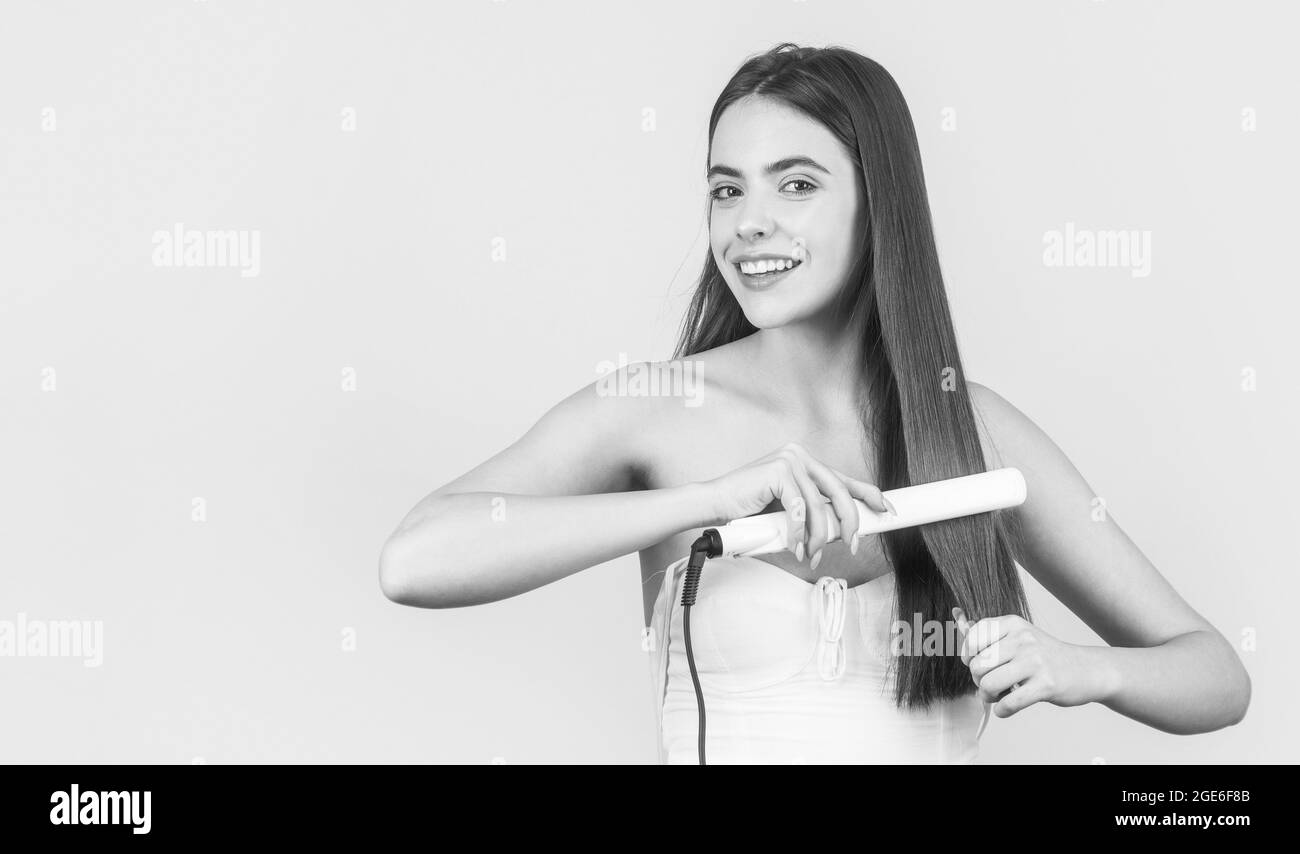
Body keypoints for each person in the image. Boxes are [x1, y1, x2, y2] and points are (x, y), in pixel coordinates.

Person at [379, 43, 1251, 764]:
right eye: (728, 188)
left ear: (880, 204)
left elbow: (1215, 677)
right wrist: (707, 503)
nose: (748, 222)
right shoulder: (654, 410)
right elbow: (415, 561)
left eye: (795, 184)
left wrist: (1083, 669)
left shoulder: (969, 429)